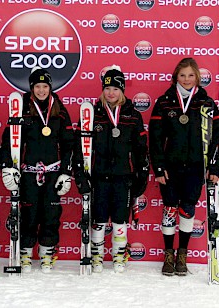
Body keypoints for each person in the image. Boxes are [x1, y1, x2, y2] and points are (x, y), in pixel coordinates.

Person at [149, 57, 219, 276]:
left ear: (197, 78)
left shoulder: (207, 103)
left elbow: (217, 139)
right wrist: (159, 167)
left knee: (188, 210)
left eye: (191, 75)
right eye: (182, 75)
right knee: (170, 209)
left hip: (195, 168)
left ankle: (183, 254)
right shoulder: (164, 102)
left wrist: (214, 167)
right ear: (176, 77)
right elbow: (155, 139)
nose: (186, 79)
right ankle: (168, 255)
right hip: (170, 168)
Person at [73, 65, 149, 273]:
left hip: (123, 176)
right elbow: (79, 148)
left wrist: (142, 174)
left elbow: (141, 149)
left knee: (119, 218)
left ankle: (118, 255)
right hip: (98, 176)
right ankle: (96, 256)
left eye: (115, 88)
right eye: (107, 88)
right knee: (98, 219)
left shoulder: (133, 115)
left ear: (122, 90)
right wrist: (80, 174)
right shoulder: (92, 114)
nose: (111, 93)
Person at [1, 67, 74, 273]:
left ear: (50, 87)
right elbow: (9, 142)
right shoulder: (21, 108)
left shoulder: (59, 108)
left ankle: (46, 252)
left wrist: (66, 172)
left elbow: (69, 143)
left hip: (52, 173)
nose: (41, 90)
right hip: (29, 174)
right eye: (37, 86)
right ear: (31, 87)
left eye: (45, 86)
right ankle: (24, 253)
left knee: (51, 214)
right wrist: (8, 167)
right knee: (29, 214)